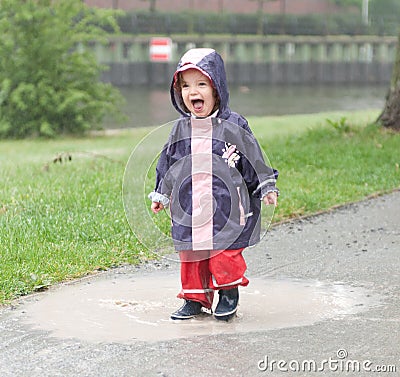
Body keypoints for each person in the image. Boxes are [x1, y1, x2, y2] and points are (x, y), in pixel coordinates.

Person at [148, 48, 279, 321]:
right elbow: (168, 162)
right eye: (185, 86)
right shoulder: (180, 129)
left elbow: (252, 156)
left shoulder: (234, 125)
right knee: (191, 254)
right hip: (190, 206)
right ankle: (194, 298)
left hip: (225, 206)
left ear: (217, 88)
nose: (192, 91)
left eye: (201, 84)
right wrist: (162, 192)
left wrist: (266, 184)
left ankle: (228, 292)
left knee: (224, 252)